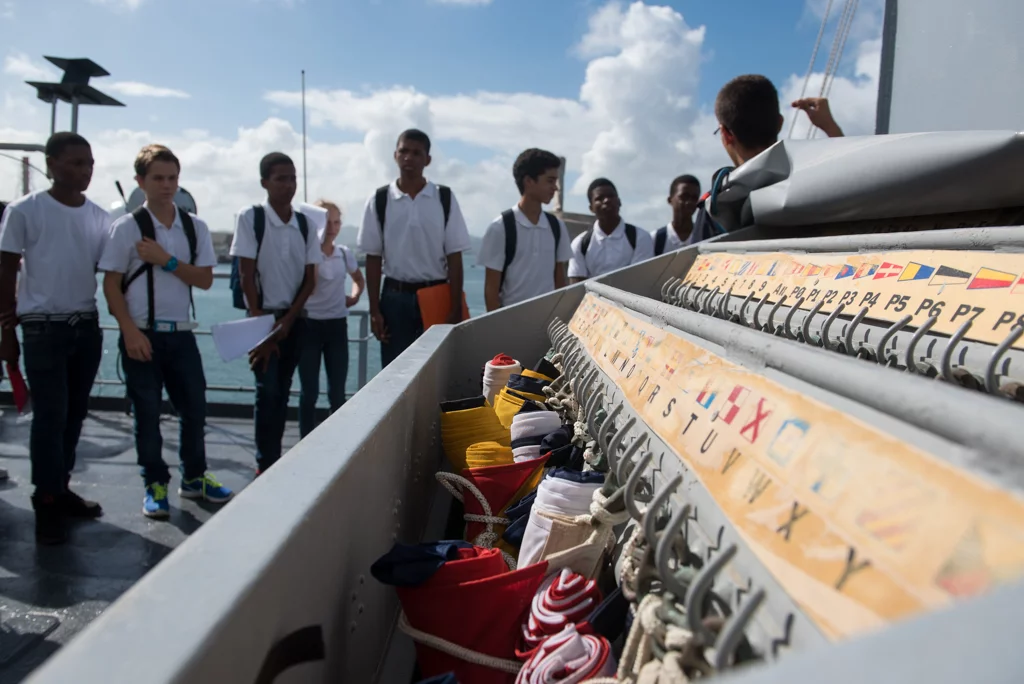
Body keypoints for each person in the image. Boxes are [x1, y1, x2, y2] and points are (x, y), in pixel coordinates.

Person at [100, 144, 232, 519]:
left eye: (172, 178)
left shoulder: (195, 227)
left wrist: (166, 260)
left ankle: (193, 477)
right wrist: (128, 332)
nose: (167, 185)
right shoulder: (126, 228)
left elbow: (205, 280)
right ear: (140, 182)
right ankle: (154, 482)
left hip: (181, 335)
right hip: (142, 333)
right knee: (146, 413)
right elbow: (111, 285)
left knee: (194, 410)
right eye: (158, 178)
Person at [0, 132, 107, 544]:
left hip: (85, 325)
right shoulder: (25, 210)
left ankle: (58, 487)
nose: (85, 170)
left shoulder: (98, 216)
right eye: (76, 162)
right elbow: (6, 270)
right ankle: (47, 495)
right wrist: (6, 333)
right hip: (43, 327)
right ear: (51, 164)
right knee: (50, 414)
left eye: (89, 163)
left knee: (75, 411)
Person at [229, 152, 322, 475]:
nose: (289, 185)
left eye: (292, 178)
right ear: (264, 183)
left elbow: (311, 278)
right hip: (262, 317)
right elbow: (246, 273)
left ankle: (275, 460)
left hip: (293, 320)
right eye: (281, 178)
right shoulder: (251, 218)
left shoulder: (305, 224)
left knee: (282, 392)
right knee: (266, 391)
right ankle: (264, 462)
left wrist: (289, 319)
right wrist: (261, 326)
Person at [357, 129, 472, 367]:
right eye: (404, 151)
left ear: (427, 159)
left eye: (417, 152)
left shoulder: (444, 198)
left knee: (438, 369)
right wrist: (375, 310)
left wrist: (454, 307)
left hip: (436, 294)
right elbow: (373, 258)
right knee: (395, 371)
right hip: (394, 298)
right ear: (395, 155)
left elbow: (455, 257)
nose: (409, 157)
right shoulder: (380, 200)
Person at [298, 199, 364, 438]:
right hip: (309, 326)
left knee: (337, 391)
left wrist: (353, 298)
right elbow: (311, 286)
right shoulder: (307, 254)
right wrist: (313, 250)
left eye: (337, 221)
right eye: (327, 221)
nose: (333, 227)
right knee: (309, 391)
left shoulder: (344, 254)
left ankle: (336, 439)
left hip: (337, 325)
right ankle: (305, 439)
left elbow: (359, 279)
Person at [478, 149, 571, 311]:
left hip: (548, 322)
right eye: (550, 181)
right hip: (510, 322)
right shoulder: (500, 228)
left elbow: (559, 281)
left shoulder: (556, 227)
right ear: (529, 181)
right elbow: (491, 291)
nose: (555, 188)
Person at [568, 178, 654, 283]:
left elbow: (641, 281)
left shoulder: (640, 237)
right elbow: (576, 287)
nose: (606, 200)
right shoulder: (580, 244)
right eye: (599, 198)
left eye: (611, 196)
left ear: (619, 201)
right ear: (591, 208)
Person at [653, 175, 702, 256]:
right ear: (670, 200)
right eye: (684, 197)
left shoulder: (704, 236)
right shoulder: (656, 239)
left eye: (694, 198)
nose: (689, 202)